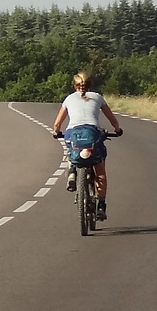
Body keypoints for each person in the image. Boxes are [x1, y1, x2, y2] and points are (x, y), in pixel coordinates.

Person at [52, 72, 122, 221]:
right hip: (93, 133)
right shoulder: (97, 97)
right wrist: (117, 130)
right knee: (100, 171)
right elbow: (112, 119)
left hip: (73, 133)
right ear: (90, 85)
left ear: (74, 86)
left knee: (71, 149)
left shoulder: (69, 99)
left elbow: (57, 124)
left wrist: (56, 132)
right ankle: (101, 205)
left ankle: (72, 170)